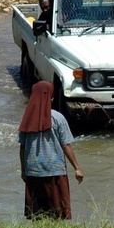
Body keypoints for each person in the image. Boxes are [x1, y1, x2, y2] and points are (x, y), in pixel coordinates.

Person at [18, 81, 84, 220]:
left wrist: (24, 170)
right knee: (57, 212)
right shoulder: (58, 118)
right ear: (51, 97)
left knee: (37, 214)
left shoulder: (26, 119)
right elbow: (66, 144)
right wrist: (77, 168)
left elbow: (22, 147)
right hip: (55, 170)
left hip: (33, 171)